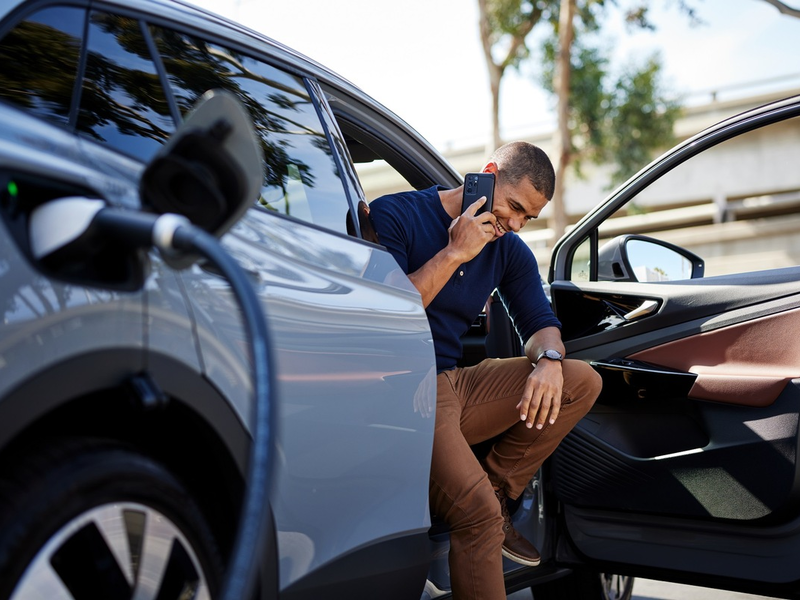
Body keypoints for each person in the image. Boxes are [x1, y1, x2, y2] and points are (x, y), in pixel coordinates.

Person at [368, 141, 602, 600]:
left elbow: (541, 324)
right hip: (401, 389)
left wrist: (549, 361)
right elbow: (390, 314)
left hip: (451, 384)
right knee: (475, 516)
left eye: (528, 218)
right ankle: (486, 509)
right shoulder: (397, 213)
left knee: (580, 380)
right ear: (489, 173)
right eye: (514, 207)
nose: (515, 224)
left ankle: (497, 488)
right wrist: (455, 252)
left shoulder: (508, 250)